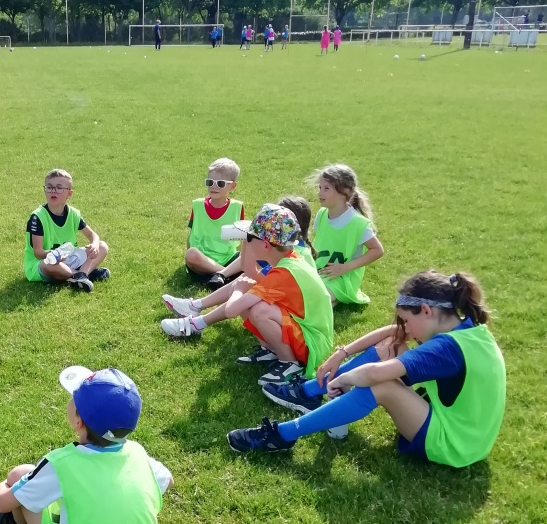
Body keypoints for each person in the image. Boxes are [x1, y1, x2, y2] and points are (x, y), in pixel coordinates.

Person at [228, 270, 506, 466]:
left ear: (426, 310)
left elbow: (374, 374)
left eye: (407, 320)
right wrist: (342, 354)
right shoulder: (467, 329)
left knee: (381, 385)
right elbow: (392, 334)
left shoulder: (446, 347)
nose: (406, 329)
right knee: (390, 347)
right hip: (471, 436)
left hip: (455, 445)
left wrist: (344, 379)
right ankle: (310, 392)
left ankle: (281, 435)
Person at [0, 367, 172, 524]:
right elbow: (168, 481)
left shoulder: (60, 464)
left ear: (78, 421)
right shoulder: (138, 454)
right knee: (33, 486)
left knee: (19, 475)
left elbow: (0, 503)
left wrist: (6, 483)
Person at [160, 204, 334, 386]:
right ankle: (271, 350)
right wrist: (246, 241)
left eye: (250, 238)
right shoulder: (289, 260)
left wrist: (238, 290)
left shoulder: (283, 273)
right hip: (308, 335)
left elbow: (232, 310)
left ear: (265, 245)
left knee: (260, 309)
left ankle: (290, 364)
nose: (248, 242)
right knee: (251, 293)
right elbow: (250, 272)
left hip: (312, 344)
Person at [24, 168, 110, 292]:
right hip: (45, 263)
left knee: (103, 246)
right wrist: (55, 255)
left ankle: (79, 276)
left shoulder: (73, 214)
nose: (53, 191)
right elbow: (38, 252)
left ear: (69, 194)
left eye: (59, 188)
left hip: (68, 259)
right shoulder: (38, 217)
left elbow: (93, 235)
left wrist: (94, 245)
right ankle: (82, 275)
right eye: (49, 187)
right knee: (49, 264)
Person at [310, 163, 384, 305]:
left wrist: (344, 268)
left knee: (317, 298)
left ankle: (335, 297)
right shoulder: (322, 214)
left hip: (343, 277)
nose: (320, 193)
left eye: (326, 188)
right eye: (320, 187)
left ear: (343, 192)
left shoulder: (358, 223)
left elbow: (377, 250)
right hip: (320, 271)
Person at [181, 159, 247, 287]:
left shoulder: (237, 207)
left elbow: (242, 238)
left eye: (220, 183)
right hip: (202, 259)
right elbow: (191, 236)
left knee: (252, 255)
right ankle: (225, 275)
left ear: (232, 186)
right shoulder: (198, 205)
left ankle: (219, 276)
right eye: (210, 182)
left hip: (228, 257)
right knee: (191, 254)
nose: (214, 186)